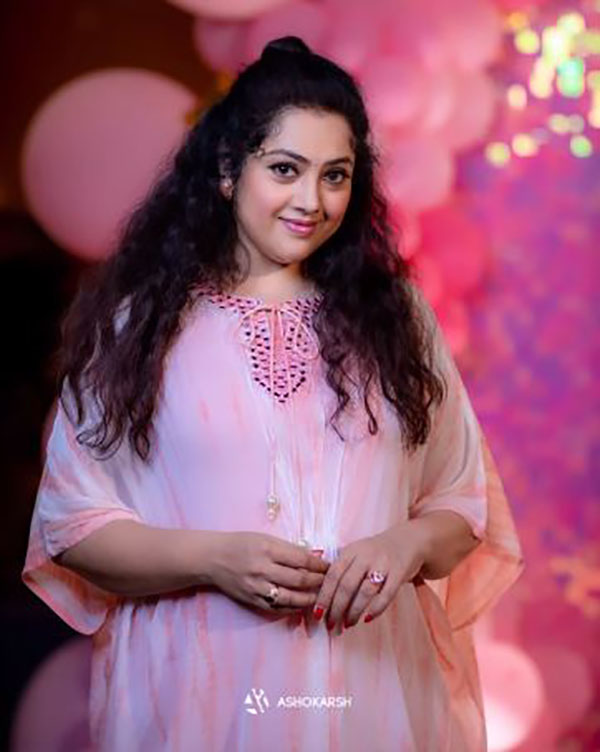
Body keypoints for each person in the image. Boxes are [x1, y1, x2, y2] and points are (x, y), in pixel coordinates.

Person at [22, 35, 524, 752]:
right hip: (199, 695)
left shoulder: (398, 319)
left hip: (369, 685)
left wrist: (405, 542)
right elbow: (73, 527)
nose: (311, 201)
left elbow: (461, 504)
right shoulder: (141, 326)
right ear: (229, 169)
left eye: (335, 175)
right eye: (285, 169)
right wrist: (212, 558)